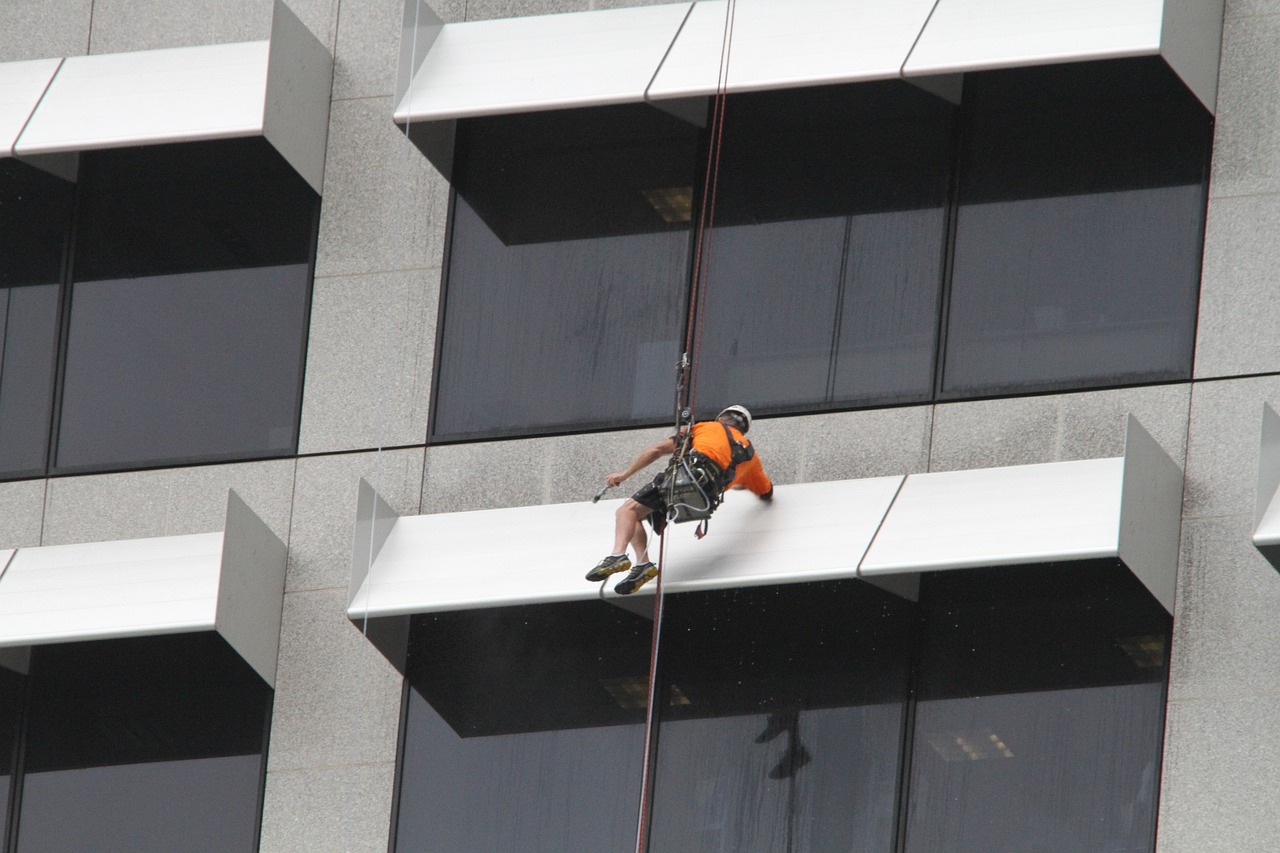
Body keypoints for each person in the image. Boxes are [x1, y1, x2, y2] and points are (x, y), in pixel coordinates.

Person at [587, 405, 773, 594]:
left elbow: (656, 450)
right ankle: (642, 565)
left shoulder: (704, 427)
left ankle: (618, 555)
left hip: (682, 481)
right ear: (744, 429)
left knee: (626, 511)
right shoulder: (751, 455)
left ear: (721, 418)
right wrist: (742, 484)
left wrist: (624, 475)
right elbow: (766, 491)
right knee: (635, 515)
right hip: (705, 496)